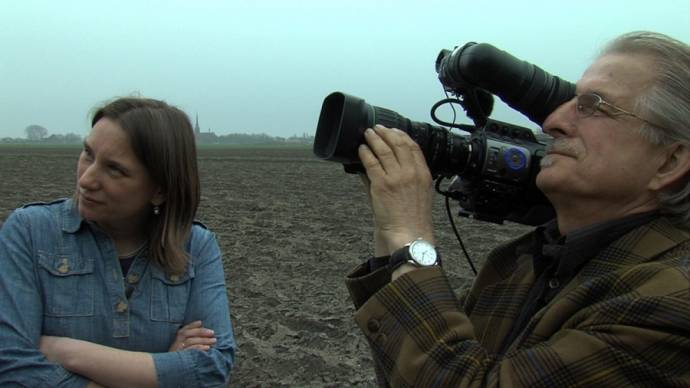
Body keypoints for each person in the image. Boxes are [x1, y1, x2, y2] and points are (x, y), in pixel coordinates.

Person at [345, 31, 690, 386]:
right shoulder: (518, 265)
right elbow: (410, 375)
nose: (552, 121)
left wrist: (410, 242)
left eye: (592, 106)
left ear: (670, 161)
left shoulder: (671, 301)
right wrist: (389, 234)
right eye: (570, 101)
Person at [0, 97, 236, 387]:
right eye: (88, 153)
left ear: (159, 190)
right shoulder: (30, 232)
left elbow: (211, 369)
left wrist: (67, 351)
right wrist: (161, 371)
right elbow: (11, 368)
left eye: (115, 169)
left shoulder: (196, 246)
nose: (86, 179)